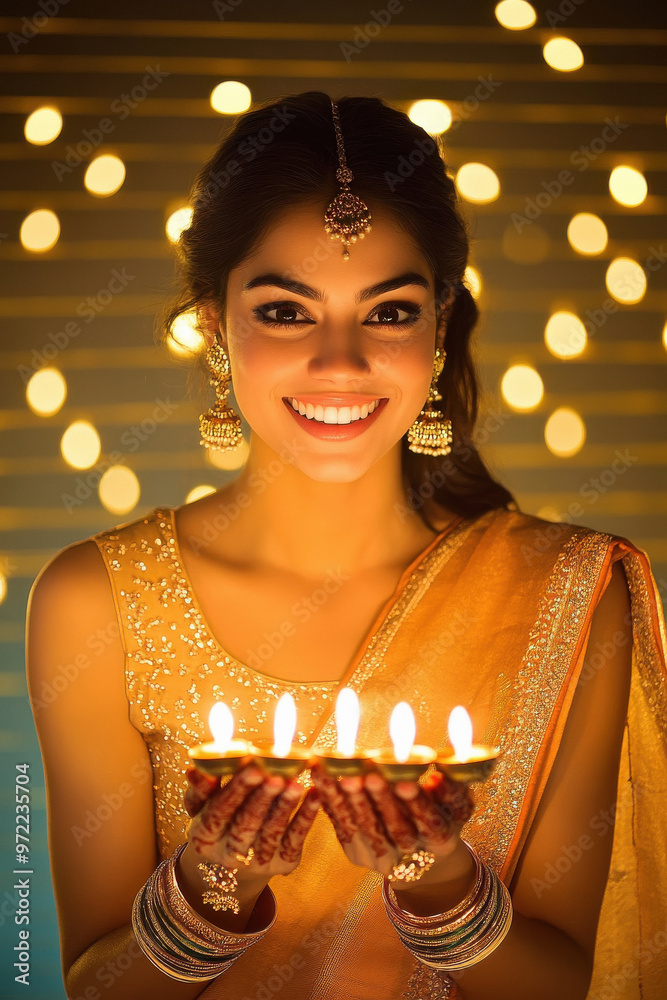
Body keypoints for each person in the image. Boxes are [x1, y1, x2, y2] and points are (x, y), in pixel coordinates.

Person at [26, 91, 666, 1000]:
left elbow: (566, 982)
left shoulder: (569, 592)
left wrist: (437, 883)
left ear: (440, 325)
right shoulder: (95, 600)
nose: (340, 364)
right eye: (287, 313)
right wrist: (214, 894)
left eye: (389, 313)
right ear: (214, 324)